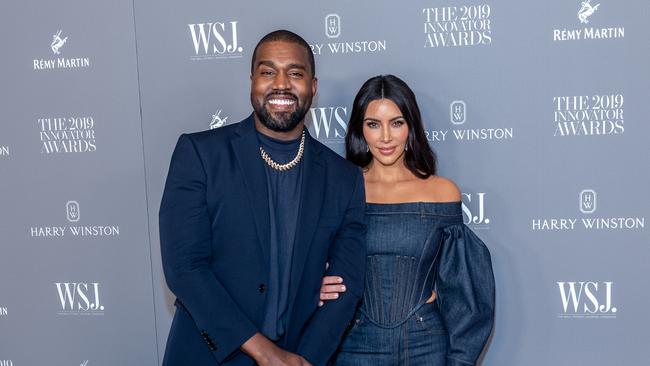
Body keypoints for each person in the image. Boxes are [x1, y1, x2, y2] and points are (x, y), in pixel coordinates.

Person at [159, 30, 367, 366]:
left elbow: (347, 287)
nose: (281, 84)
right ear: (252, 81)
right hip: (208, 356)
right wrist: (267, 354)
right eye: (268, 72)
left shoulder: (344, 178)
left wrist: (305, 360)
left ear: (313, 87)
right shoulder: (200, 155)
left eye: (295, 73)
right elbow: (185, 268)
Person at [319, 75, 495, 365]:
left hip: (425, 344)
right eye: (373, 124)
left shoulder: (441, 192)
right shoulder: (340, 191)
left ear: (411, 126)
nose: (385, 137)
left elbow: (464, 293)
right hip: (353, 345)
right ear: (360, 130)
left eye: (396, 123)